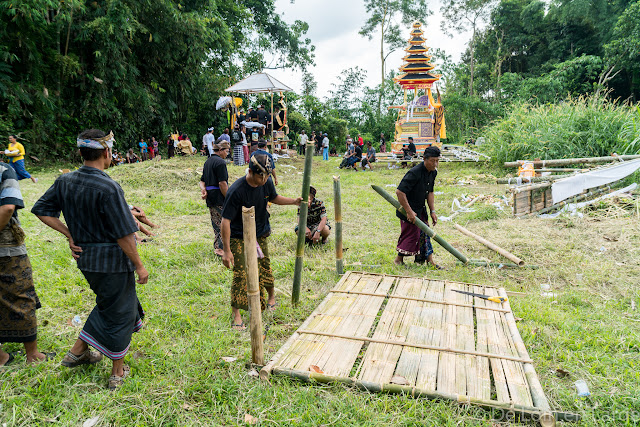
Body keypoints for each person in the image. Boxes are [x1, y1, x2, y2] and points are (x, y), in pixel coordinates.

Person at [32, 129, 149, 390]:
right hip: (112, 262)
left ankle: (78, 352)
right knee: (120, 312)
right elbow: (123, 235)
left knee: (112, 304)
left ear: (81, 152)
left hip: (86, 261)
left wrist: (68, 233)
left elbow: (41, 210)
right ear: (107, 152)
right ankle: (117, 372)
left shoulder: (65, 181)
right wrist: (139, 265)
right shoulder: (108, 187)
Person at [221, 154, 302, 330]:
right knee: (241, 273)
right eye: (261, 176)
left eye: (268, 176)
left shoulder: (266, 182)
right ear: (250, 171)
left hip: (260, 233)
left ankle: (271, 297)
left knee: (264, 266)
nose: (265, 180)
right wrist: (226, 250)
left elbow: (274, 197)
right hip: (239, 236)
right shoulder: (236, 190)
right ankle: (236, 314)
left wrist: (293, 201)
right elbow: (225, 221)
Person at [0, 162, 52, 366]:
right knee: (23, 295)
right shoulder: (4, 170)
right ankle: (33, 355)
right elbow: (7, 207)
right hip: (7, 249)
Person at [394, 146, 442, 269]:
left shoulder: (433, 172)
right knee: (411, 234)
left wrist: (432, 211)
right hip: (407, 209)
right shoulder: (414, 172)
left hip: (420, 209)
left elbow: (430, 192)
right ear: (424, 159)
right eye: (433, 161)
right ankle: (398, 260)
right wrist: (409, 212)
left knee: (425, 233)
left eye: (437, 160)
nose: (435, 164)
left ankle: (429, 261)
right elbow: (400, 192)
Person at [200, 142, 230, 257]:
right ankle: (222, 249)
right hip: (219, 196)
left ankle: (218, 247)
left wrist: (204, 190)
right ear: (221, 150)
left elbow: (202, 181)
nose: (227, 154)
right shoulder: (220, 162)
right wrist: (229, 198)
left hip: (210, 196)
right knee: (225, 222)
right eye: (226, 151)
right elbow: (222, 183)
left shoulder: (208, 161)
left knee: (216, 223)